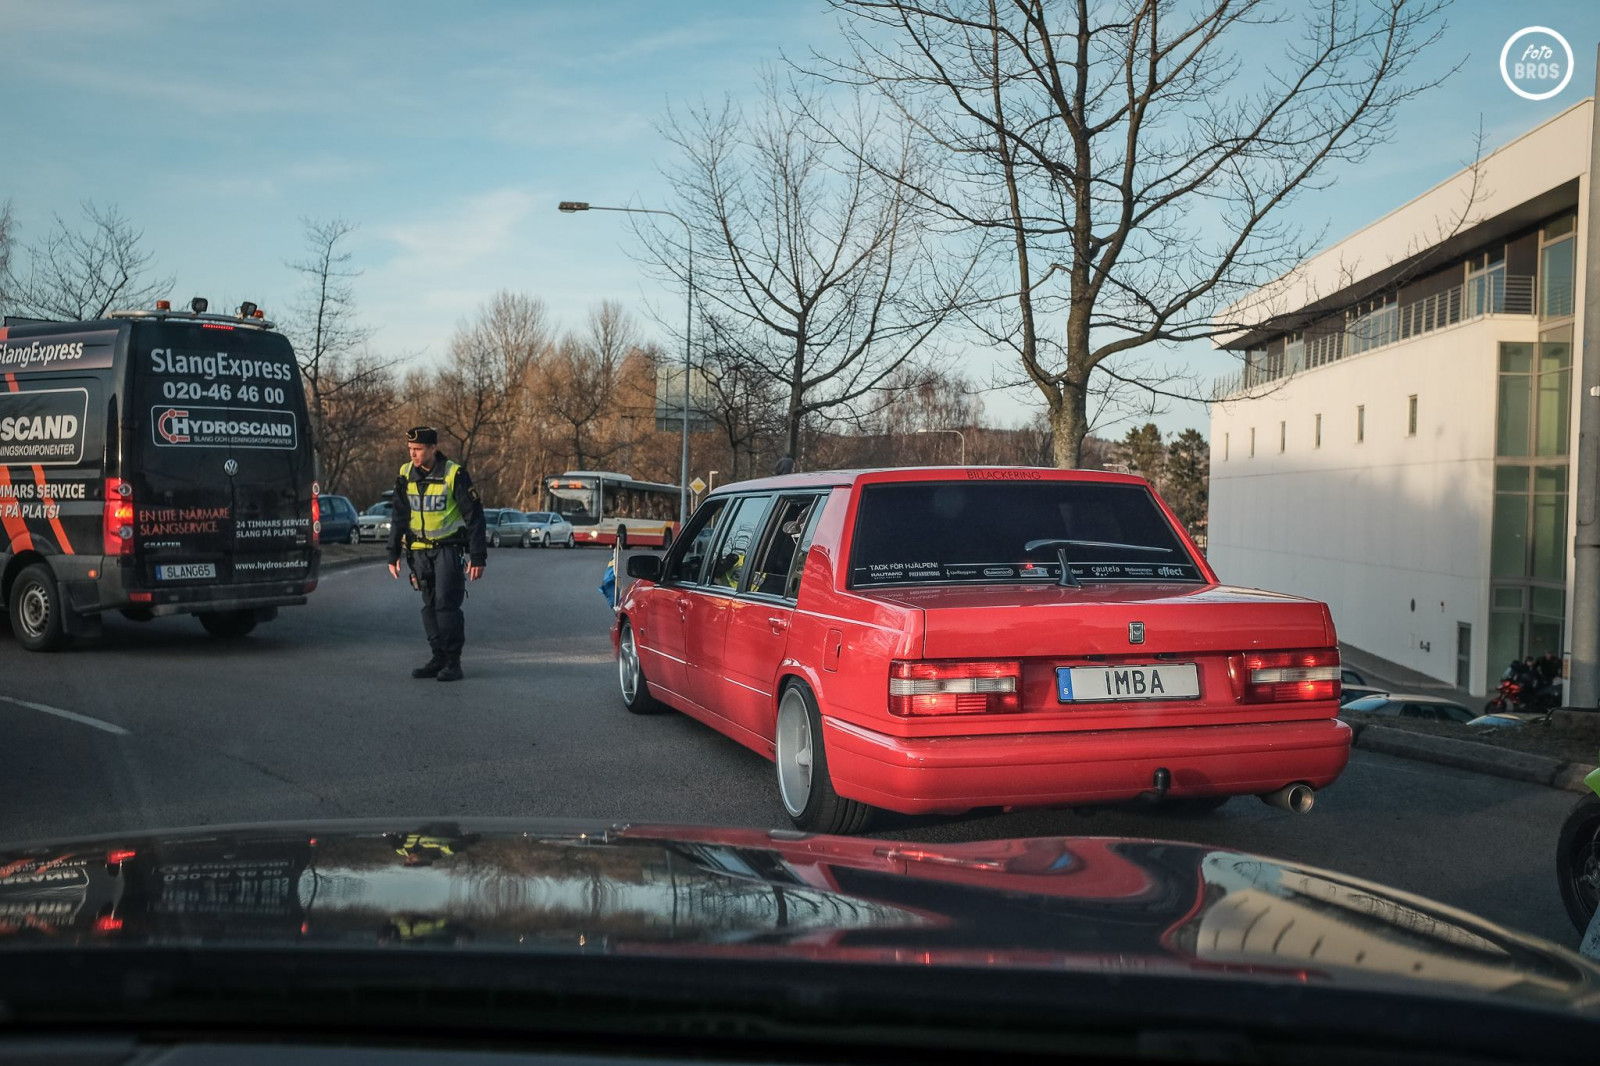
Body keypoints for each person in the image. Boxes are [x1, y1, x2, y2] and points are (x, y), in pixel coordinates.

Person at [386, 427, 487, 682]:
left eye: (418, 450)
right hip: (419, 553)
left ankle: (453, 662)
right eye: (410, 450)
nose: (413, 455)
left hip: (447, 551)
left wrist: (478, 557)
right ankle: (438, 657)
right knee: (429, 608)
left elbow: (474, 517)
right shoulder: (405, 474)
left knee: (446, 607)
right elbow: (399, 515)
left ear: (433, 448)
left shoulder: (454, 474)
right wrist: (393, 553)